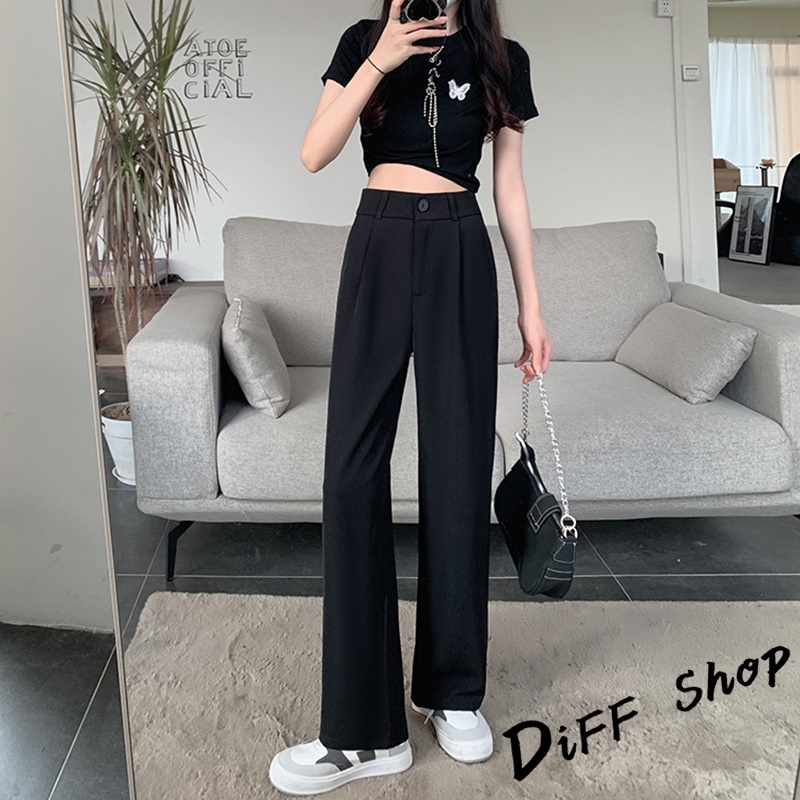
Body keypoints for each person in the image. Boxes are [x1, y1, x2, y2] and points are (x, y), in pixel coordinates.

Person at [270, 0, 552, 794]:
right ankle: (364, 733)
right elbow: (314, 152)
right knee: (350, 475)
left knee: (458, 468)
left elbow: (510, 187)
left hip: (461, 244)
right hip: (380, 238)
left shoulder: (503, 56)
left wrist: (531, 306)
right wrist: (381, 59)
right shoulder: (363, 42)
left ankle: (452, 692)